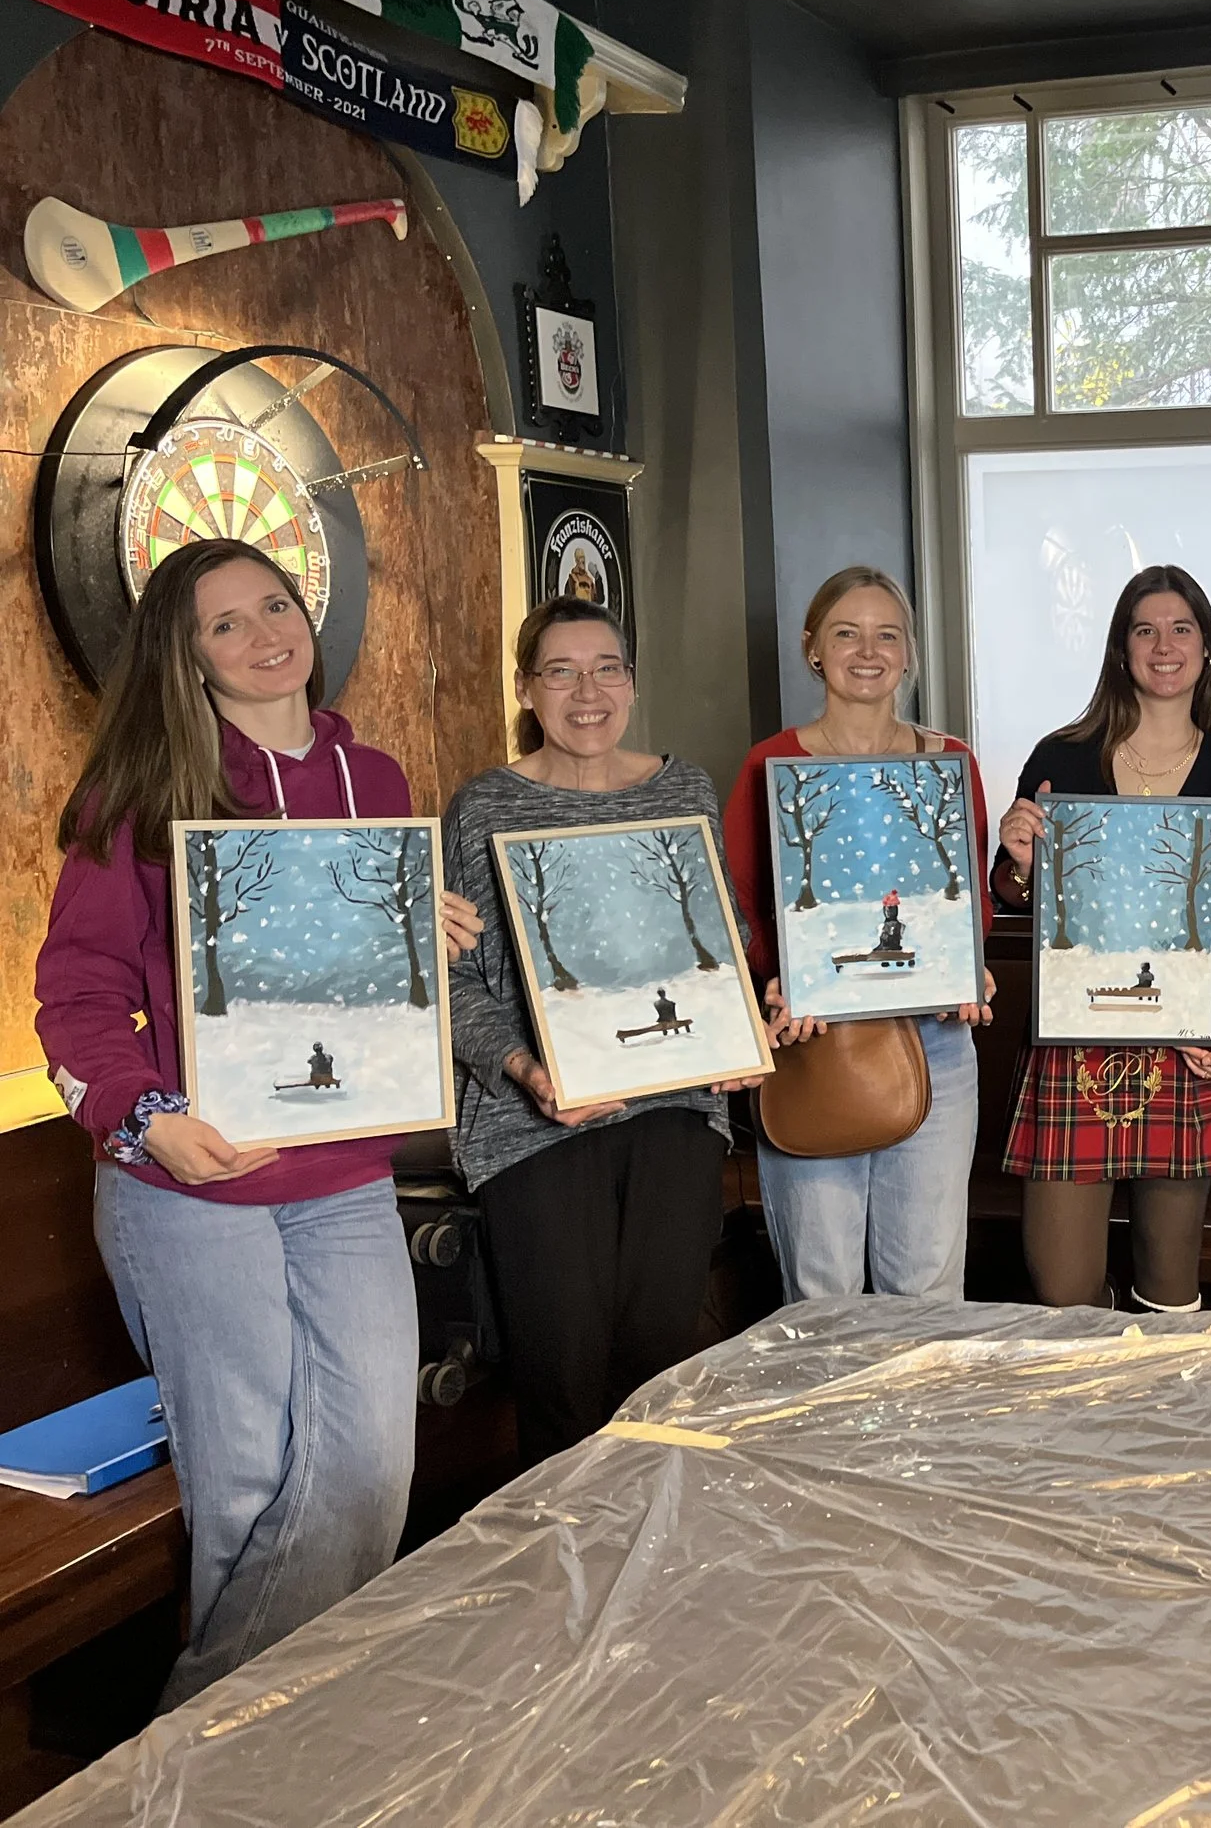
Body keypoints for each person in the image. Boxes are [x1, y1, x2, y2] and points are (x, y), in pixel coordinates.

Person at [33, 536, 484, 1708]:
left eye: (274, 605)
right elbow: (75, 1001)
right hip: (191, 1184)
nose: (262, 633)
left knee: (371, 1470)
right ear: (185, 661)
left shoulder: (375, 781)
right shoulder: (137, 792)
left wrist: (407, 942)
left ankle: (201, 1745)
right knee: (245, 1493)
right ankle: (256, 1762)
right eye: (221, 624)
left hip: (341, 1177)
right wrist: (147, 1120)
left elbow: (355, 986)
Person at [446, 597, 762, 1466]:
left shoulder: (683, 786)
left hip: (674, 1117)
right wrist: (520, 1064)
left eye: (607, 668)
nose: (587, 691)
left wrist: (738, 1028)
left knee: (657, 1375)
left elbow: (722, 935)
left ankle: (647, 1582)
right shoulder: (482, 806)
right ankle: (565, 1589)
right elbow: (455, 978)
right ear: (526, 687)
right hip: (535, 1128)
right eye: (560, 671)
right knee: (561, 1385)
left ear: (631, 679)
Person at [992, 565, 1211, 1314]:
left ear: (1207, 650)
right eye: (1145, 629)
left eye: (1183, 629)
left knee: (1171, 1283)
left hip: (1189, 1047)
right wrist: (1018, 859)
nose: (1165, 644)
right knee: (1062, 1290)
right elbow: (1009, 894)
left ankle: (1165, 1421)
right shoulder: (1061, 756)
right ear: (1120, 650)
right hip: (1071, 1047)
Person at [722, 566, 992, 1304]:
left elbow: (971, 900)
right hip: (814, 1044)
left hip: (935, 1042)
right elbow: (741, 910)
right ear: (813, 648)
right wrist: (776, 980)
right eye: (846, 633)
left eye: (886, 635)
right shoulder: (770, 766)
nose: (866, 651)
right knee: (819, 1290)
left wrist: (970, 967)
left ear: (908, 653)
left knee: (928, 1290)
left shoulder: (951, 763)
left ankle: (923, 1425)